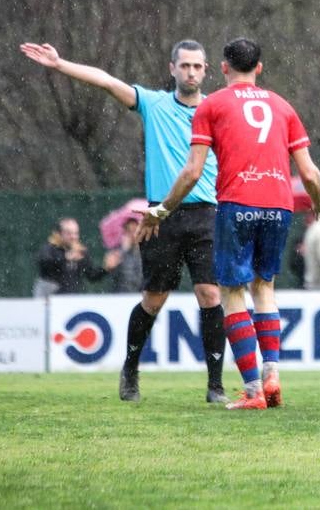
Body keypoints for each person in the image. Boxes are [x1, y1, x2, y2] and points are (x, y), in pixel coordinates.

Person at [138, 37, 320, 410]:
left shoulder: (212, 106)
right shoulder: (282, 106)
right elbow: (310, 172)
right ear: (259, 68)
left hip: (236, 204)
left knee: (232, 293)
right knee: (265, 288)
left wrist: (162, 209)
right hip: (278, 206)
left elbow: (192, 171)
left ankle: (252, 391)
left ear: (224, 67)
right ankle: (272, 372)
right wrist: (317, 203)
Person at [21, 39, 228, 404]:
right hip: (159, 216)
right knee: (153, 299)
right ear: (172, 68)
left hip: (205, 214)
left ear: (206, 70)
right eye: (185, 66)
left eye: (197, 66)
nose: (191, 72)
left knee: (210, 295)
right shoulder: (154, 103)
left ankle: (215, 385)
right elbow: (105, 80)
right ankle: (130, 368)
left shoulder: (216, 109)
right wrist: (60, 64)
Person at [33, 217, 118, 296]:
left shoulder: (80, 251)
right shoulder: (50, 247)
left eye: (76, 233)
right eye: (68, 233)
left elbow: (91, 275)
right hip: (51, 299)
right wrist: (65, 258)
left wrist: (106, 269)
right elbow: (44, 263)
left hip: (72, 300)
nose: (73, 237)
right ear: (58, 234)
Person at [109, 218, 145, 293]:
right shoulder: (117, 252)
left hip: (140, 296)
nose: (133, 234)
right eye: (129, 231)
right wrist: (123, 251)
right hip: (121, 296)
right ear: (124, 233)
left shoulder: (145, 252)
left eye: (135, 230)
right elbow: (114, 276)